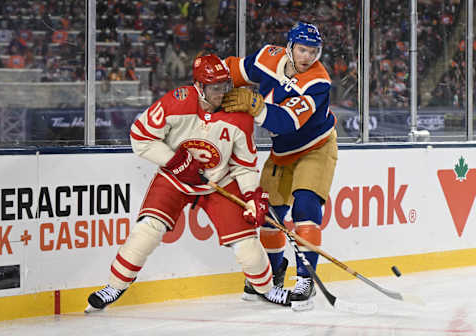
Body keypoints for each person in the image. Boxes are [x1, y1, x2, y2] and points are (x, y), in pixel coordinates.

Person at [85, 54, 292, 313]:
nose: (222, 94)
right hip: (175, 178)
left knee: (247, 246)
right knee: (146, 231)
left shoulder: (239, 116)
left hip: (221, 181)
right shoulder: (176, 103)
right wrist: (175, 162)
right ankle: (115, 286)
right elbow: (140, 137)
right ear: (199, 87)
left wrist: (252, 196)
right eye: (215, 88)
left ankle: (267, 290)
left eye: (225, 86)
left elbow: (244, 165)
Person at [222, 22, 338, 311]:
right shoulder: (268, 57)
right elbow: (233, 71)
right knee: (267, 214)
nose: (308, 56)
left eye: (314, 51)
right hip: (282, 152)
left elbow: (286, 122)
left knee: (305, 206)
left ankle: (305, 279)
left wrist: (256, 105)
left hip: (316, 148)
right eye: (302, 49)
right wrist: (207, 81)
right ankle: (274, 272)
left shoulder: (318, 82)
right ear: (289, 47)